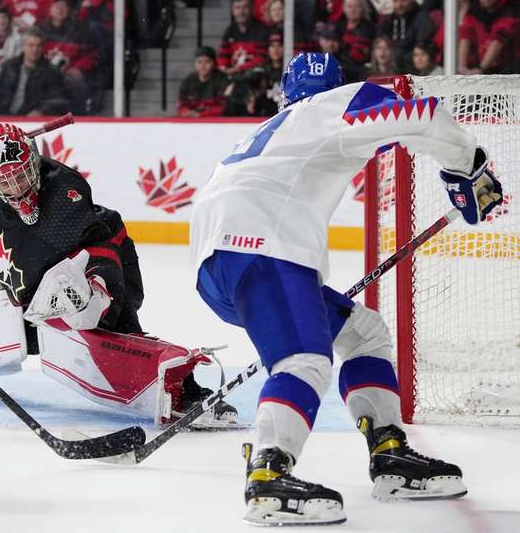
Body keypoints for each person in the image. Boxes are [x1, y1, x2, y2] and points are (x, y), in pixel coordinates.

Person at [191, 52, 498, 525]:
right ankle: (269, 474)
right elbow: (423, 115)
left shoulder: (278, 127)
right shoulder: (339, 103)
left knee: (363, 332)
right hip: (264, 249)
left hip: (216, 266)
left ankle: (390, 452)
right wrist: (468, 168)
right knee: (304, 359)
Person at [0, 122, 242, 429]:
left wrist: (96, 293)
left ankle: (178, 389)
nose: (18, 188)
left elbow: (99, 252)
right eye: (5, 182)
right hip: (29, 280)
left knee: (99, 327)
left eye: (23, 175)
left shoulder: (66, 193)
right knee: (8, 324)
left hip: (100, 257)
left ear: (34, 160)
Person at [0, 28, 69, 116]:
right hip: (5, 117)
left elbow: (57, 100)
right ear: (23, 46)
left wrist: (40, 111)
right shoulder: (9, 67)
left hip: (32, 120)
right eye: (31, 45)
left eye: (39, 46)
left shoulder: (51, 72)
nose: (35, 50)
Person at [40, 0, 99, 114]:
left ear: (69, 10)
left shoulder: (80, 30)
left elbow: (90, 56)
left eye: (64, 7)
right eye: (57, 6)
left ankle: (78, 115)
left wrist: (72, 66)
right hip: (45, 69)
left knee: (75, 76)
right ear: (50, 9)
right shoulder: (40, 30)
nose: (60, 10)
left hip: (70, 70)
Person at [458, 0, 519, 75]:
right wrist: (461, 67)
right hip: (488, 69)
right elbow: (466, 36)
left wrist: (480, 70)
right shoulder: (474, 11)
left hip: (510, 70)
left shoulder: (509, 12)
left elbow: (497, 43)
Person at [376, 0, 435, 71]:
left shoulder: (421, 17)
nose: (399, 5)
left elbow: (422, 43)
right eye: (395, 1)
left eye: (403, 0)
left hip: (412, 66)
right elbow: (379, 40)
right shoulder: (388, 20)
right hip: (392, 63)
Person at [216, 0, 268, 76]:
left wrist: (237, 69)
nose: (241, 11)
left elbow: (261, 59)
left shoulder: (261, 30)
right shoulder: (230, 30)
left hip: (254, 75)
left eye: (245, 7)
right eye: (237, 8)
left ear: (252, 9)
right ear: (233, 11)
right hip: (232, 73)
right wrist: (223, 67)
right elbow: (223, 54)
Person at [177, 46, 227, 117]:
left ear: (214, 64)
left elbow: (224, 108)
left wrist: (201, 114)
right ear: (195, 64)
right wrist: (186, 112)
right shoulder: (188, 81)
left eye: (207, 62)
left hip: (216, 122)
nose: (203, 66)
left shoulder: (223, 80)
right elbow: (181, 105)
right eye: (199, 62)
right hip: (193, 120)